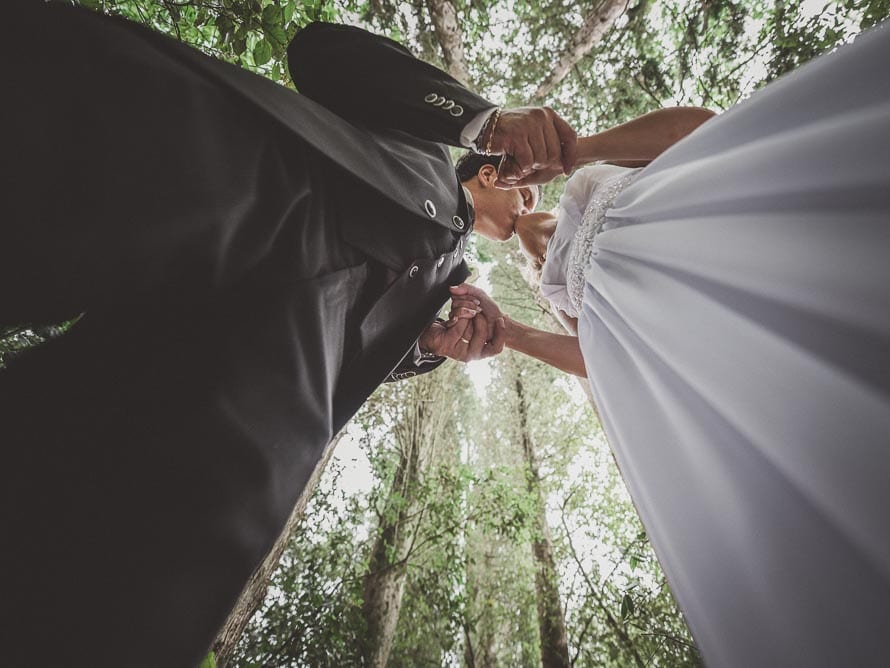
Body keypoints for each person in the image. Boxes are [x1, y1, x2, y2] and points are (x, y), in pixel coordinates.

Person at [0, 2, 571, 665]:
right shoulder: (422, 143)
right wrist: (484, 120)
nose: (528, 208)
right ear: (492, 172)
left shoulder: (449, 291)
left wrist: (427, 345)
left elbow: (358, 351)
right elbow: (319, 52)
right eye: (527, 195)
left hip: (251, 389)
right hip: (221, 171)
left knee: (109, 576)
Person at [455, 0, 890, 665]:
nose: (478, 221)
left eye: (475, 205)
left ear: (489, 176)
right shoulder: (543, 279)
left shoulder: (580, 177)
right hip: (678, 347)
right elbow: (596, 356)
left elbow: (706, 132)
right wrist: (509, 332)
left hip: (710, 238)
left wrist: (576, 153)